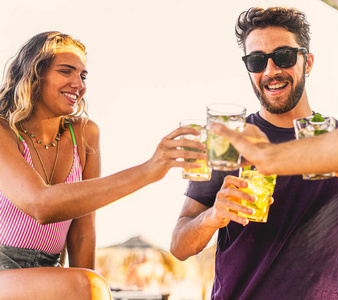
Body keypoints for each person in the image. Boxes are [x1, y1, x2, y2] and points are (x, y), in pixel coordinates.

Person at [170, 7, 338, 299]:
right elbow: (179, 245)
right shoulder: (229, 141)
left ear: (308, 62)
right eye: (257, 60)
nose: (271, 70)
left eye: (284, 57)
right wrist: (213, 216)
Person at [0, 31, 206, 300]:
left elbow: (82, 233)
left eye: (83, 76)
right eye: (66, 71)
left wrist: (89, 289)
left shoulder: (85, 135)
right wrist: (148, 171)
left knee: (91, 284)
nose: (78, 84)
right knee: (89, 285)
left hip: (51, 271)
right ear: (34, 74)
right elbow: (41, 205)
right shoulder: (4, 131)